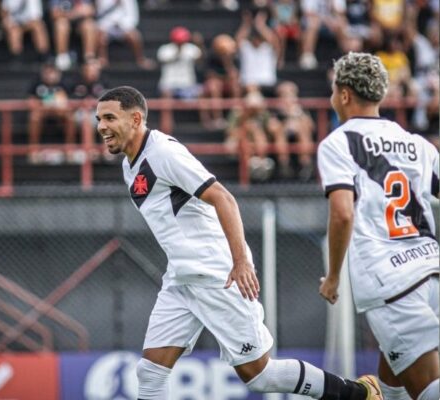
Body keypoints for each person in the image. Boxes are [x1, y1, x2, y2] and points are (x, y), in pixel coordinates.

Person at [96, 85, 383, 400]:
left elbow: (223, 198)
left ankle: (360, 395)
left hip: (217, 275)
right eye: (99, 119)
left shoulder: (163, 153)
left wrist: (240, 262)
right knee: (150, 373)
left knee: (260, 375)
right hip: (182, 278)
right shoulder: (129, 165)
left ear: (136, 119)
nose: (101, 127)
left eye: (110, 118)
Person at [317, 52, 439, 400]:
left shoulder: (338, 142)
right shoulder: (418, 144)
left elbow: (342, 213)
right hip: (431, 271)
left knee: (428, 390)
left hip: (391, 281)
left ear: (343, 94)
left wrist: (334, 277)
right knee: (392, 387)